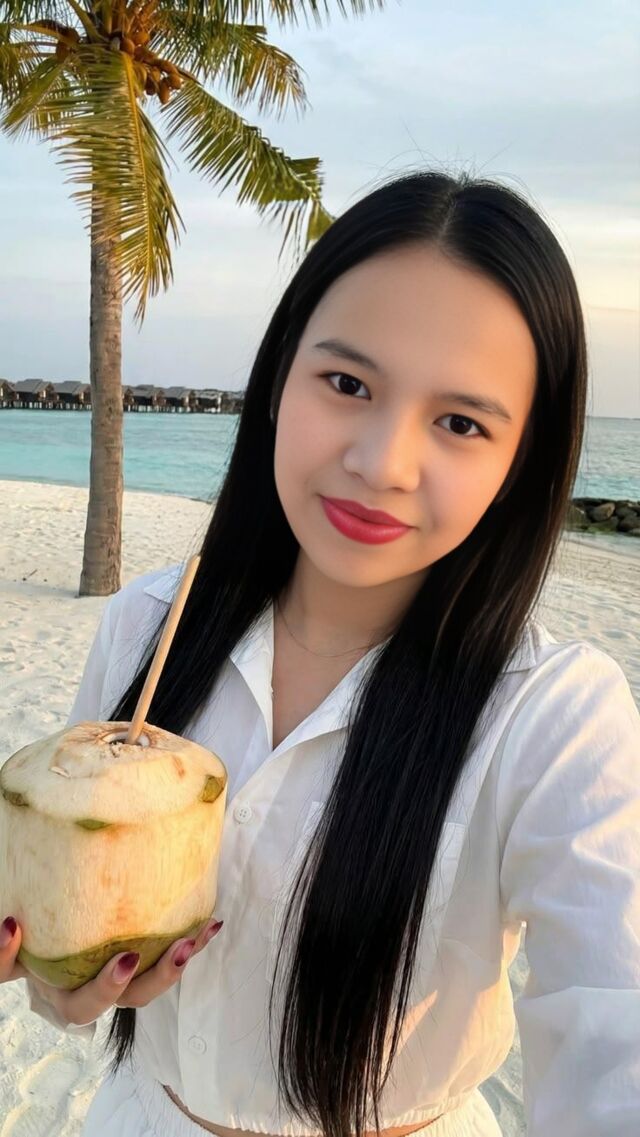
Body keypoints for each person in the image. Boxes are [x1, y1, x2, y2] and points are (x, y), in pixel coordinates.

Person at [2, 170, 639, 1137]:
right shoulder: (143, 626)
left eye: (461, 423)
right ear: (276, 382)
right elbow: (73, 939)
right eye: (347, 384)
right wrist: (64, 980)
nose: (381, 462)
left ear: (521, 466)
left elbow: (612, 1027)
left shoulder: (556, 719)